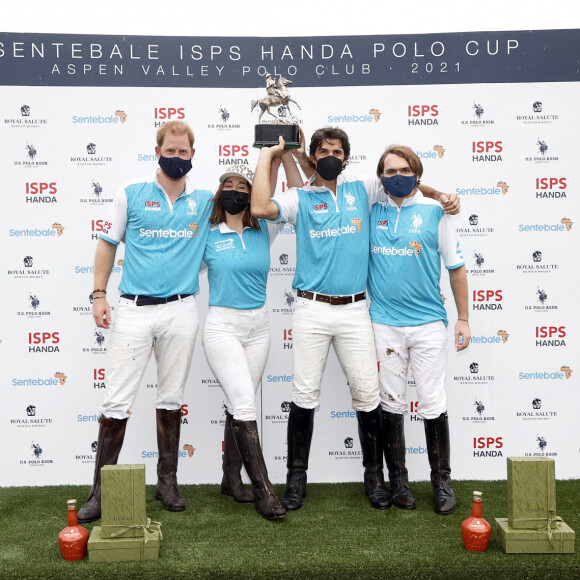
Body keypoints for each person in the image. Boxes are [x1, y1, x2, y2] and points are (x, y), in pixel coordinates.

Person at [251, 129, 459, 512]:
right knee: (303, 395)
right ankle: (296, 480)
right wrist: (269, 155)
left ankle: (374, 478)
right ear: (312, 157)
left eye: (337, 151)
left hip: (357, 309)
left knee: (368, 395)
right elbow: (260, 208)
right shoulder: (299, 197)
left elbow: (403, 184)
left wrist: (440, 195)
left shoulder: (363, 187)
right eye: (323, 151)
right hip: (311, 309)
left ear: (346, 157)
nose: (331, 156)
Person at [78, 120, 214, 523]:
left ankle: (167, 482)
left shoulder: (206, 200)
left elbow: (255, 205)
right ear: (157, 151)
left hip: (181, 309)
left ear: (193, 155)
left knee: (171, 398)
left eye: (183, 152)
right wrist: (99, 294)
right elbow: (107, 244)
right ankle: (99, 492)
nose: (176, 158)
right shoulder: (130, 192)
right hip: (133, 308)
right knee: (116, 401)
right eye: (169, 151)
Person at [368, 145, 470, 515]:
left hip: (428, 324)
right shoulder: (371, 209)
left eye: (405, 169)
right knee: (390, 404)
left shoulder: (436, 212)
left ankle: (442, 482)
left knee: (432, 403)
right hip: (383, 325)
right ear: (380, 177)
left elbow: (456, 268)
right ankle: (398, 482)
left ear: (417, 172)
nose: (397, 176)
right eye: (390, 170)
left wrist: (464, 318)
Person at [202, 157, 302, 520]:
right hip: (222, 326)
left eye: (242, 187)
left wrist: (276, 155)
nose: (235, 192)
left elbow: (275, 190)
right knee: (244, 403)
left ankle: (231, 477)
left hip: (259, 327)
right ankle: (265, 491)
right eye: (228, 187)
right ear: (219, 193)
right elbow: (179, 267)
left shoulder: (265, 229)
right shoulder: (207, 234)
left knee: (236, 403)